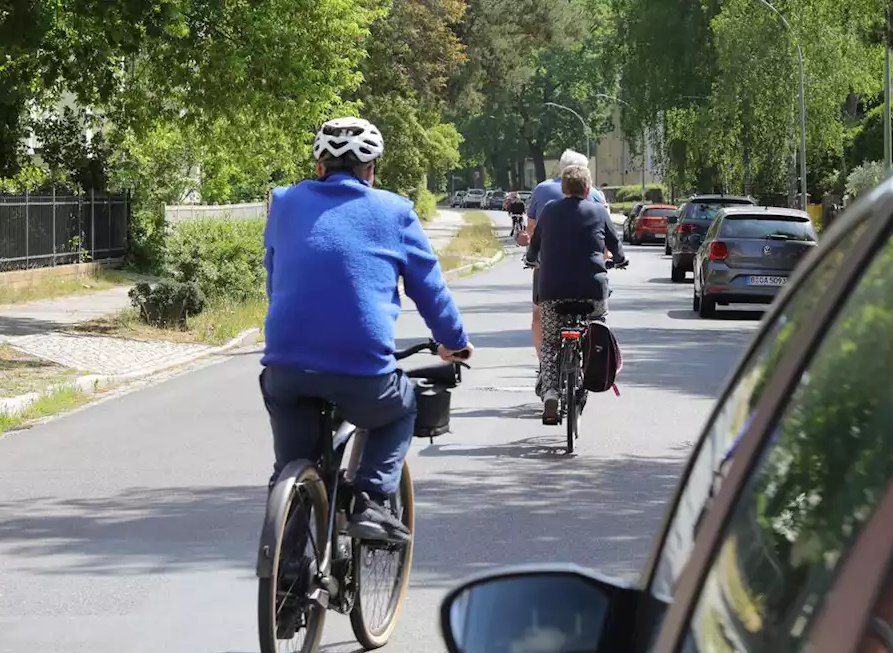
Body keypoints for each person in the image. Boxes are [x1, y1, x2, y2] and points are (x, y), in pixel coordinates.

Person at [261, 116, 474, 543]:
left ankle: (288, 578)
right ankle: (372, 501)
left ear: (319, 167)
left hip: (285, 366)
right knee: (402, 406)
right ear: (371, 171)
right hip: (361, 370)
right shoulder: (395, 212)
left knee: (294, 465)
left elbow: (274, 275)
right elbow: (428, 288)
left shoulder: (283, 202)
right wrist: (454, 342)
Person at [525, 163, 627, 423]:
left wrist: (531, 258)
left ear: (563, 188)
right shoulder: (599, 211)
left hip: (553, 291)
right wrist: (620, 260)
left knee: (549, 342)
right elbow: (616, 247)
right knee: (596, 330)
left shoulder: (548, 211)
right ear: (589, 188)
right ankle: (588, 370)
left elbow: (534, 246)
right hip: (592, 292)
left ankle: (550, 393)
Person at [516, 150, 609, 360]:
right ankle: (589, 360)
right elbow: (606, 238)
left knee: (540, 315)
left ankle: (546, 366)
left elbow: (531, 229)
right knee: (596, 317)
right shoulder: (596, 195)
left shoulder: (542, 191)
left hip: (549, 268)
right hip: (589, 273)